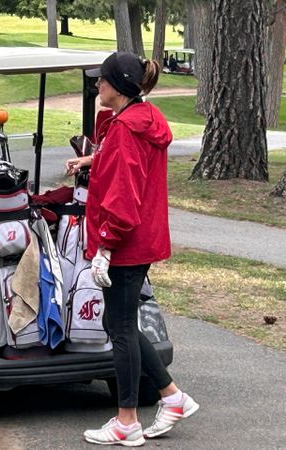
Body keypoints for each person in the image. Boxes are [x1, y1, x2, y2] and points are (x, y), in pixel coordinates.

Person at [65, 52, 199, 446]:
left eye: (103, 80)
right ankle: (172, 397)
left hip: (125, 242)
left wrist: (105, 246)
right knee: (118, 323)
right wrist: (94, 158)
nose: (98, 85)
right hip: (141, 239)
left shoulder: (125, 129)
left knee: (120, 329)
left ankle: (127, 421)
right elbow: (127, 165)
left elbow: (123, 196)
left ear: (119, 86)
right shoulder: (142, 119)